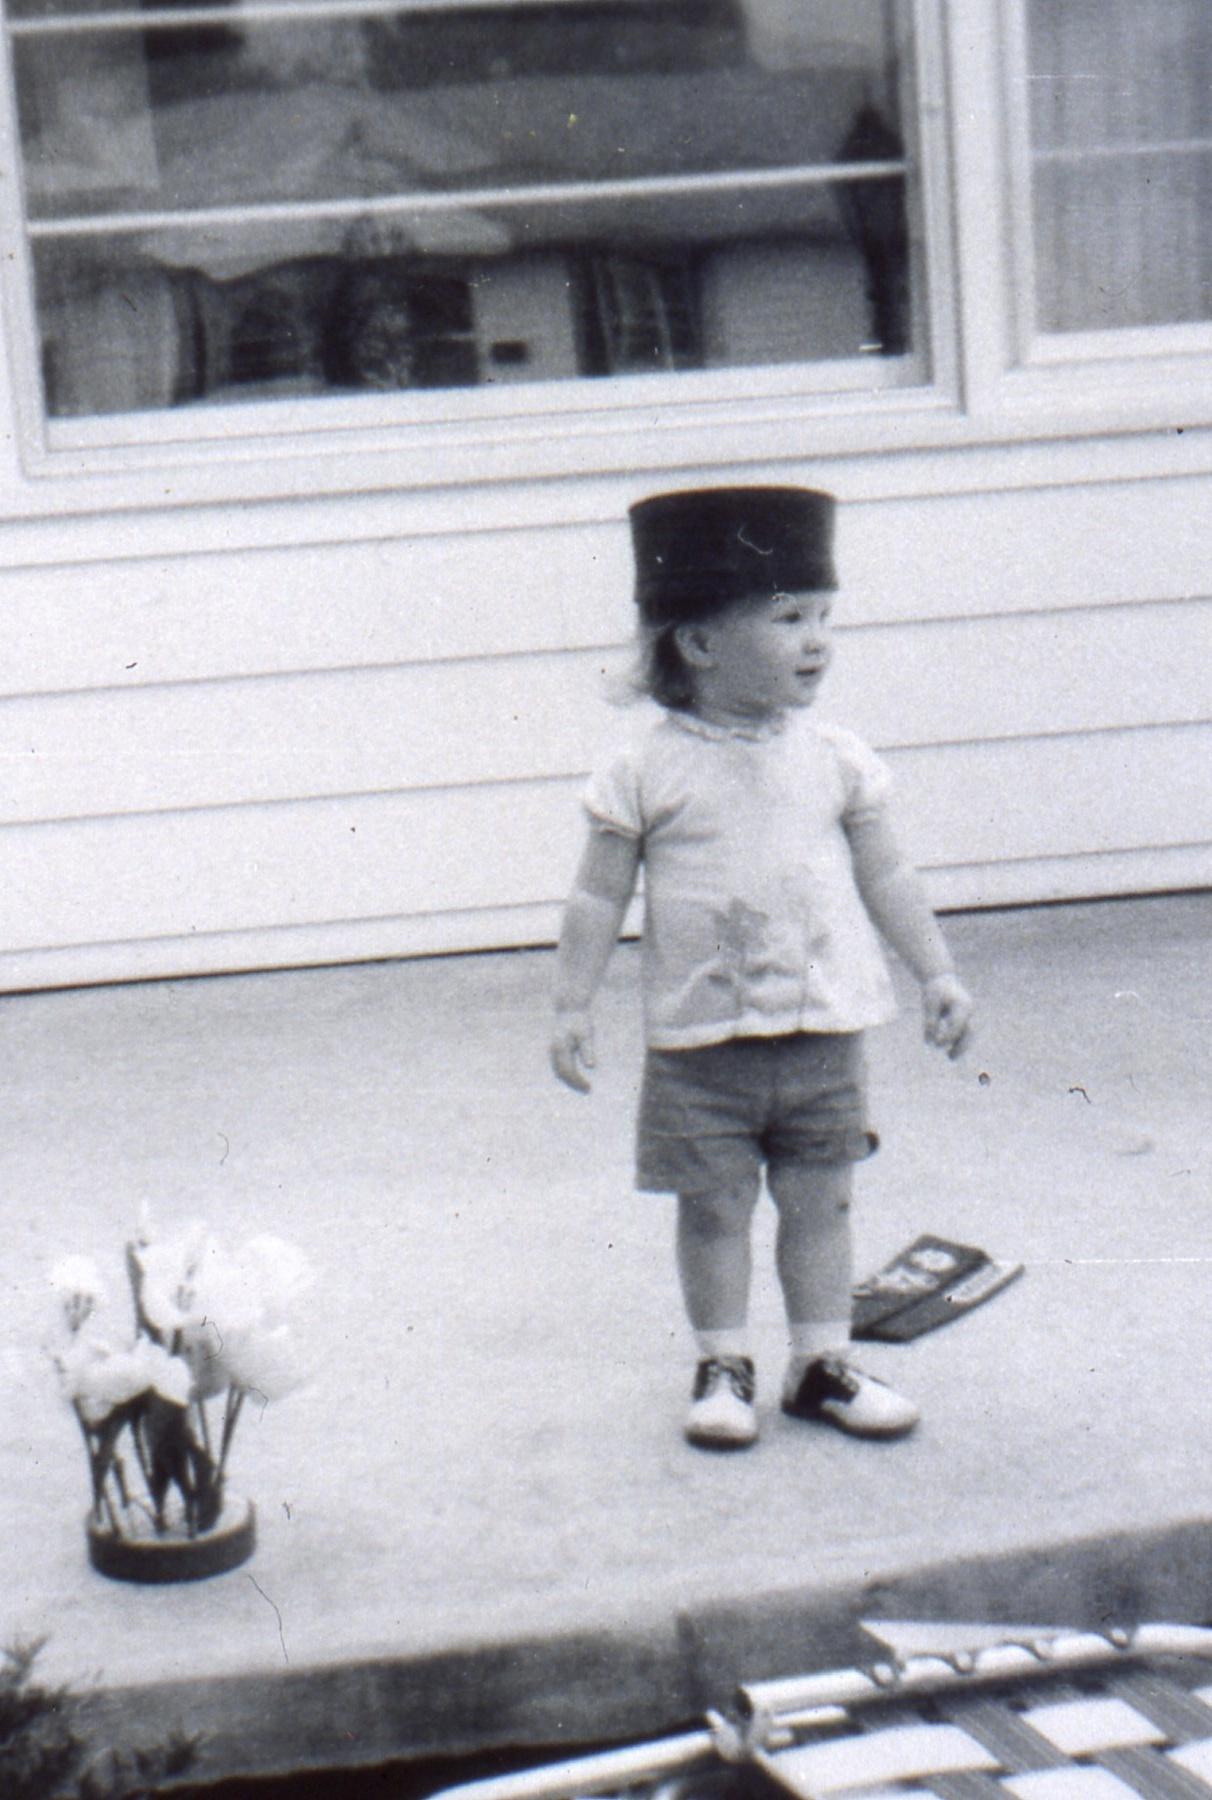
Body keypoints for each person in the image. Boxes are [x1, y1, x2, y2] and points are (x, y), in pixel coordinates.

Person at [549, 486, 973, 1451]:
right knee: (715, 1208)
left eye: (824, 617)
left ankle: (820, 1364)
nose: (817, 640)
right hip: (703, 1043)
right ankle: (723, 1363)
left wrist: (936, 971)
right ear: (697, 644)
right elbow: (596, 898)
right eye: (788, 618)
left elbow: (887, 872)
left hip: (826, 1027)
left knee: (821, 1200)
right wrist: (572, 1003)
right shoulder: (643, 770)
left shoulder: (836, 758)